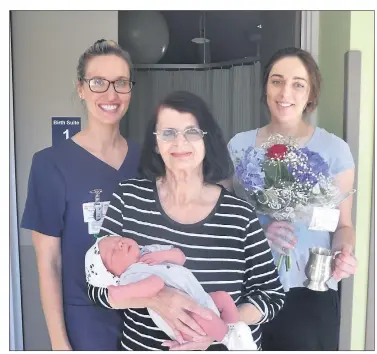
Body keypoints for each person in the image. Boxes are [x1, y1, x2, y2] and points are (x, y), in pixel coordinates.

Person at [87, 90, 285, 351]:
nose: (180, 142)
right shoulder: (128, 198)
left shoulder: (239, 216)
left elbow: (270, 296)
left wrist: (218, 326)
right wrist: (156, 297)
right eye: (168, 133)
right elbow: (97, 287)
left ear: (207, 140)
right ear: (156, 144)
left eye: (192, 132)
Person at [227, 47, 358, 351]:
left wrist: (344, 253)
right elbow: (220, 219)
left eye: (298, 83)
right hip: (248, 287)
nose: (285, 92)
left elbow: (343, 226)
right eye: (277, 81)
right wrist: (260, 232)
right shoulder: (239, 146)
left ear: (310, 93)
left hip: (309, 291)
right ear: (266, 87)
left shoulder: (334, 150)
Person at [21, 39, 141, 350]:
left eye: (121, 83)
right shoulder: (50, 164)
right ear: (81, 88)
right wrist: (60, 343)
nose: (110, 94)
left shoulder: (149, 162)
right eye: (98, 82)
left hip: (146, 317)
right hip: (86, 323)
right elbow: (48, 262)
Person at [85, 235, 258, 350]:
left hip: (200, 297)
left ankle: (234, 329)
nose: (120, 244)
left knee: (222, 297)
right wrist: (122, 292)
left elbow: (181, 257)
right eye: (113, 251)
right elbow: (156, 284)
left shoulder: (148, 251)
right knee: (203, 316)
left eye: (118, 239)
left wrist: (163, 255)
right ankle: (230, 339)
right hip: (188, 317)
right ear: (112, 275)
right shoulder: (129, 276)